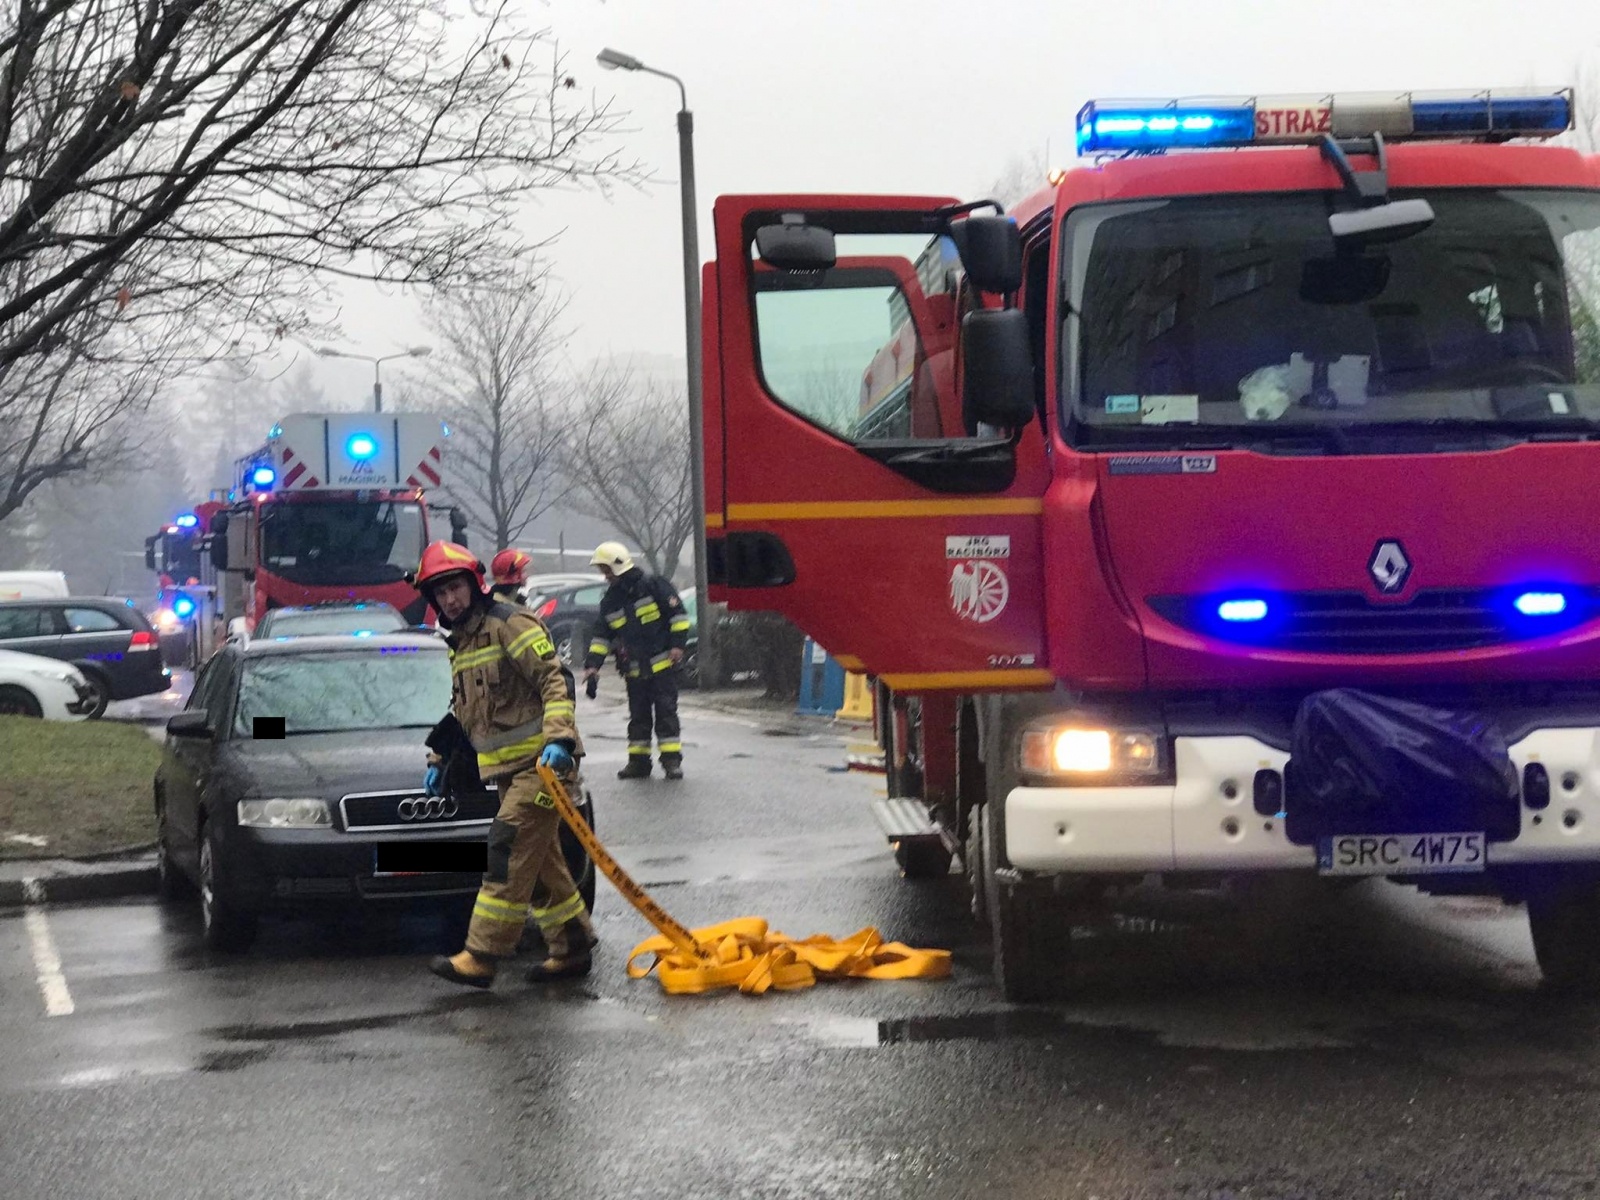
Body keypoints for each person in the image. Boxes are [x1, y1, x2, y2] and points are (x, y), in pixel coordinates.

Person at [413, 541, 596, 988]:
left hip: (543, 767)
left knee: (507, 849)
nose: (450, 599)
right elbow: (465, 707)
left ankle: (482, 955)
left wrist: (560, 740)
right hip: (508, 771)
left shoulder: (509, 623)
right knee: (538, 866)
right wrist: (440, 757)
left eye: (455, 588)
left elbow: (555, 680)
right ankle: (572, 947)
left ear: (474, 585)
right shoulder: (462, 640)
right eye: (441, 593)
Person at [581, 541, 691, 780]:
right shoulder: (610, 601)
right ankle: (639, 763)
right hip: (633, 670)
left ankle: (671, 761)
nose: (605, 576)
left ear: (618, 565)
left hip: (662, 666)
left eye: (606, 569)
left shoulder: (654, 586)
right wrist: (592, 666)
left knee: (666, 714)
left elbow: (679, 616)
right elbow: (601, 636)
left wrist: (677, 646)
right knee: (638, 718)